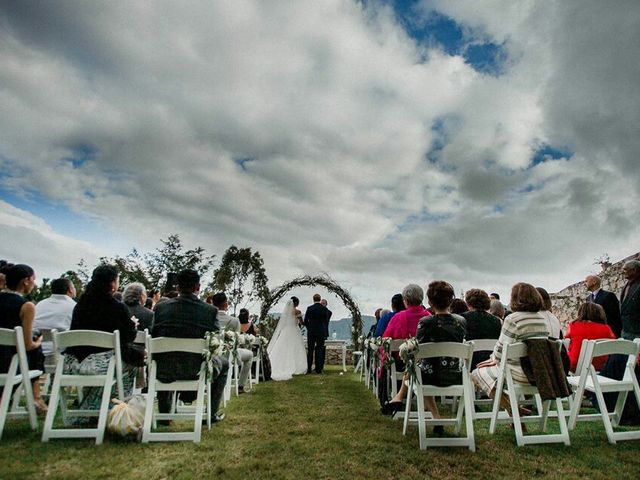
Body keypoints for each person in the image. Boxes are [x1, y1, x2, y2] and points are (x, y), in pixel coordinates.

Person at [64, 265, 138, 423]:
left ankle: (93, 409)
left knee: (118, 365)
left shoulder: (80, 306)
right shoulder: (117, 307)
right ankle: (112, 411)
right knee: (130, 365)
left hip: (72, 364)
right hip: (100, 365)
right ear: (112, 283)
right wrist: (132, 325)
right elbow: (128, 337)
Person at [153, 269, 228, 423]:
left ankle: (164, 415)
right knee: (225, 364)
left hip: (163, 369)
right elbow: (215, 341)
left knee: (165, 356)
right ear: (198, 287)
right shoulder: (209, 311)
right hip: (196, 370)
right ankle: (211, 414)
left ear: (178, 287)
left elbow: (155, 337)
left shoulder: (161, 308)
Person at [471, 283, 550, 415]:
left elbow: (501, 348)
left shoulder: (512, 319)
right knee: (494, 374)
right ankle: (514, 411)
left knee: (475, 374)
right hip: (539, 373)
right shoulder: (541, 320)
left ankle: (512, 409)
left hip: (518, 374)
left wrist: (493, 359)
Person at [415, 281, 467, 434]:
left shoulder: (425, 322)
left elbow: (418, 348)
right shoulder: (461, 322)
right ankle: (436, 417)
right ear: (451, 300)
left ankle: (436, 416)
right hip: (455, 375)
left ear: (430, 302)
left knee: (416, 372)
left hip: (428, 376)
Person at [0, 264, 46, 413]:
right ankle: (36, 398)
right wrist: (38, 341)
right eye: (33, 279)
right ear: (26, 281)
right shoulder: (27, 306)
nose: (35, 283)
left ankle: (36, 399)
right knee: (36, 345)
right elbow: (27, 345)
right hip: (8, 365)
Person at [380, 284, 430, 414]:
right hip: (427, 363)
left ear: (405, 300)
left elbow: (386, 341)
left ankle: (392, 397)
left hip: (401, 365)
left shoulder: (398, 318)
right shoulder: (429, 317)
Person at [211, 292, 253, 393]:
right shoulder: (234, 321)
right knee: (250, 355)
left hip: (212, 354)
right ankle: (240, 386)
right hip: (229, 354)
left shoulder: (210, 318)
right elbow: (237, 341)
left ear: (213, 304)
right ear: (226, 304)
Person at [565, 303, 615, 373]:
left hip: (575, 366)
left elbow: (566, 342)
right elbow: (613, 346)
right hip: (600, 367)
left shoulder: (573, 326)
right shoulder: (607, 329)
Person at [34, 277, 76, 357]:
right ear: (70, 289)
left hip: (37, 349)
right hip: (61, 351)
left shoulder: (40, 304)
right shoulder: (74, 306)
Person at [268, 298, 307, 380]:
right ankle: (296, 366)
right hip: (294, 330)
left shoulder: (285, 313)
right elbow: (302, 323)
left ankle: (279, 364)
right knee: (295, 348)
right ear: (296, 303)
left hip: (286, 331)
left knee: (283, 348)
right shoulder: (298, 312)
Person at [462, 289, 501, 369]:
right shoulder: (497, 321)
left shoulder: (463, 319)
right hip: (490, 363)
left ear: (468, 303)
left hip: (469, 363)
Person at [303, 294, 330, 374]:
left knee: (310, 350)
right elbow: (326, 321)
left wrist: (309, 328)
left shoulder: (309, 308)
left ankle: (309, 369)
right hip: (321, 332)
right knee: (319, 350)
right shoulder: (324, 309)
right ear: (320, 299)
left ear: (313, 299)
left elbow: (305, 321)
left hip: (311, 332)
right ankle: (318, 369)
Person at [620, 260, 640, 341]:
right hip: (625, 331)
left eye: (625, 269)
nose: (622, 272)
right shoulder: (626, 286)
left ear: (634, 270)